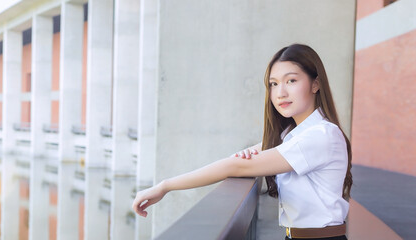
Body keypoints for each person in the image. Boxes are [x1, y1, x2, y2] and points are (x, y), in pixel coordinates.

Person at [132, 43, 352, 240]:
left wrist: (165, 186)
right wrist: (246, 158)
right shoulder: (291, 135)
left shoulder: (320, 135)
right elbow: (241, 159)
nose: (280, 93)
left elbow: (235, 165)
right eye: (273, 84)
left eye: (291, 81)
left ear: (315, 84)